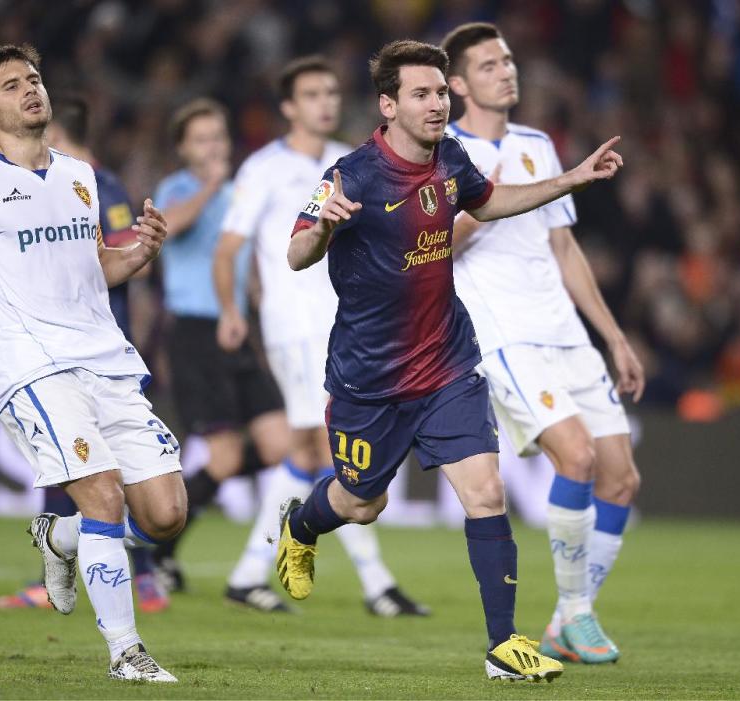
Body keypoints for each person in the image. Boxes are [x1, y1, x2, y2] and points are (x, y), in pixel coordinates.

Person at [280, 39, 622, 681]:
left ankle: (503, 647)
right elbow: (297, 253)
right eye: (422, 93)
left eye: (441, 91)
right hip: (370, 380)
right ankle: (301, 524)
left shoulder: (449, 158)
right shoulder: (351, 175)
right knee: (361, 504)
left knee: (486, 492)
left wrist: (571, 179)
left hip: (446, 363)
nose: (438, 104)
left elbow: (488, 201)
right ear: (388, 105)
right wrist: (322, 226)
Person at [0, 44, 184, 683]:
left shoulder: (80, 177)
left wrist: (139, 253)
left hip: (104, 359)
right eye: (13, 86)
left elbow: (93, 267)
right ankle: (126, 652)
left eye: (36, 79)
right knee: (104, 496)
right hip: (34, 368)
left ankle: (60, 537)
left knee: (163, 514)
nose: (31, 91)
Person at [441, 22, 642, 664]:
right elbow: (434, 247)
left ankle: (564, 620)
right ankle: (579, 614)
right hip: (504, 337)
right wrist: (486, 198)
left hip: (563, 331)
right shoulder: (443, 151)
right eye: (490, 64)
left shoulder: (537, 144)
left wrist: (612, 336)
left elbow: (562, 246)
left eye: (508, 60)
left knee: (621, 478)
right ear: (458, 83)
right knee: (576, 457)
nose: (507, 70)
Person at [213, 56, 428, 617]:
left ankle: (256, 574)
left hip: (347, 325)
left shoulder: (346, 163)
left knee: (320, 452)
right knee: (326, 450)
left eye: (331, 92)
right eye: (311, 94)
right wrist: (233, 309)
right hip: (295, 327)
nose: (325, 102)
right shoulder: (263, 167)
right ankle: (372, 584)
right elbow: (231, 247)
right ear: (288, 107)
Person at [0, 95, 169, 615]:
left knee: (95, 474)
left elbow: (119, 260)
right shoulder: (38, 186)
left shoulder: (94, 183)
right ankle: (130, 578)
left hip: (96, 350)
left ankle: (129, 571)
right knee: (87, 472)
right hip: (65, 350)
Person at [152, 98, 294, 611]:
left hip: (240, 332)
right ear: (184, 148)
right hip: (194, 333)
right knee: (226, 455)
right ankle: (157, 547)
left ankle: (158, 538)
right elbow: (170, 227)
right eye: (202, 138)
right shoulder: (178, 189)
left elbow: (250, 267)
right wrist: (211, 186)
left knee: (282, 447)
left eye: (219, 136)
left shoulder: (241, 194)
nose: (215, 146)